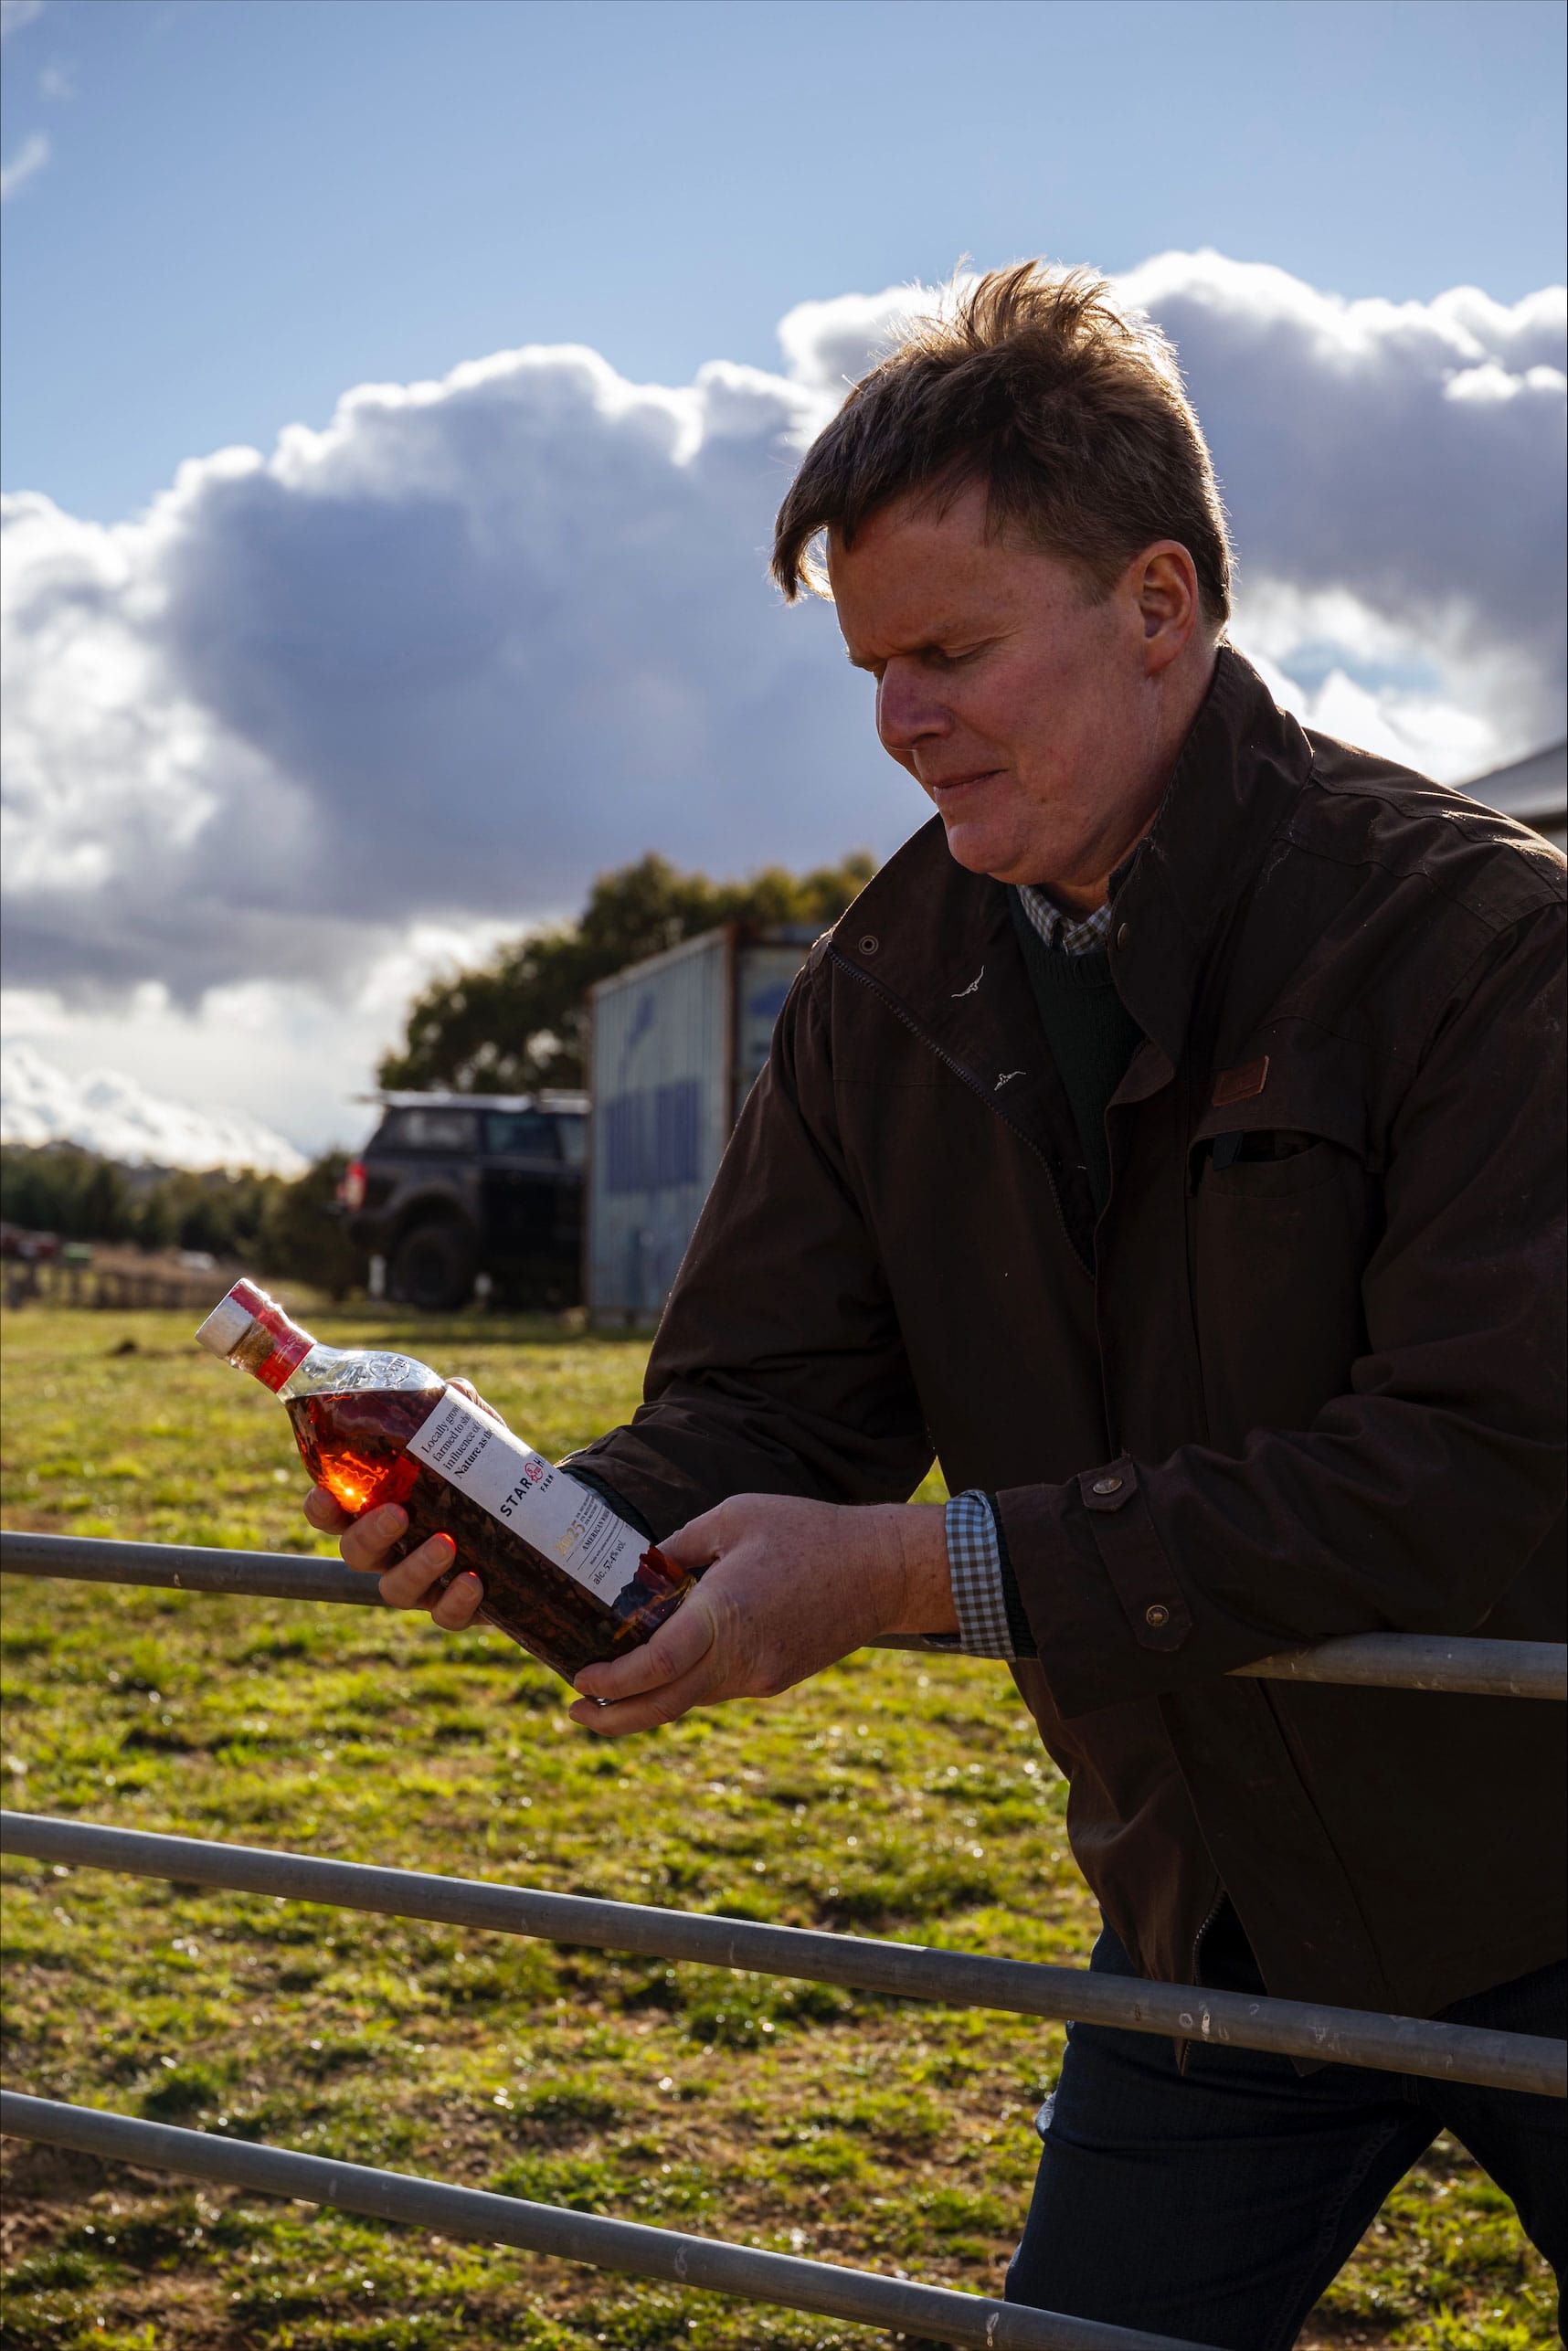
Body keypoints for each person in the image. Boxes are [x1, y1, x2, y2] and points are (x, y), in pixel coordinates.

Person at [307, 265, 1565, 2347]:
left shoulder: (1477, 945)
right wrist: (545, 1521)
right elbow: (769, 1408)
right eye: (876, 667)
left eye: (956, 651)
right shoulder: (889, 991)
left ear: (1160, 606)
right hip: (1212, 1910)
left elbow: (1467, 1472)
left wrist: (911, 1572)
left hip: (1542, 1865)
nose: (902, 721)